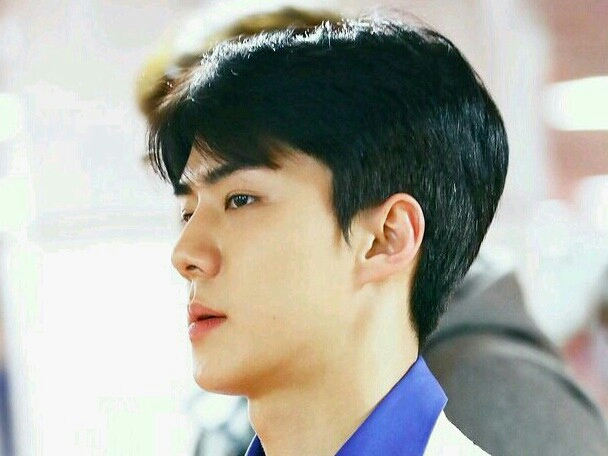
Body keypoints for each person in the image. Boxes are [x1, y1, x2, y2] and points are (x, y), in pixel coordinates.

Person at [137, 8, 608, 456]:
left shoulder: (501, 393)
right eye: (188, 211)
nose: (184, 254)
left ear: (387, 236)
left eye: (241, 199)